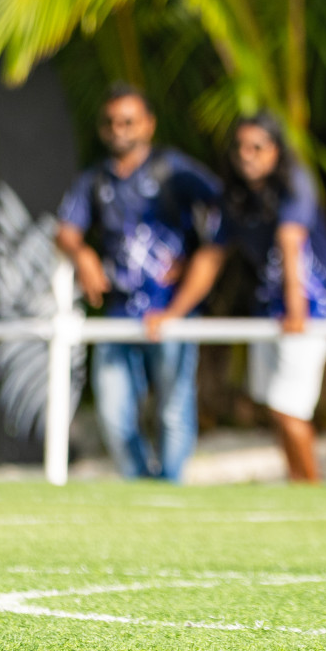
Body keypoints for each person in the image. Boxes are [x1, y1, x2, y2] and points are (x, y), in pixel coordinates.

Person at [143, 113, 326, 484]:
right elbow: (211, 257)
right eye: (239, 147)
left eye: (257, 147)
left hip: (312, 305)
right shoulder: (234, 195)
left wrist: (297, 309)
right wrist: (173, 312)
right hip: (269, 305)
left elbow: (291, 244)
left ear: (276, 150)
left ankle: (313, 492)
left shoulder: (294, 184)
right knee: (275, 406)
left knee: (289, 409)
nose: (246, 155)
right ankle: (298, 486)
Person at [56, 85, 223, 483]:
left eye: (128, 122)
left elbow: (224, 211)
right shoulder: (96, 179)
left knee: (173, 406)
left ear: (148, 125)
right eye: (111, 122)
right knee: (113, 411)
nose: (120, 130)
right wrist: (82, 254)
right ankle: (139, 483)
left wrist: (197, 258)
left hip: (171, 307)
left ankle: (170, 484)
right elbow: (65, 230)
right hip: (119, 309)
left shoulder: (173, 169)